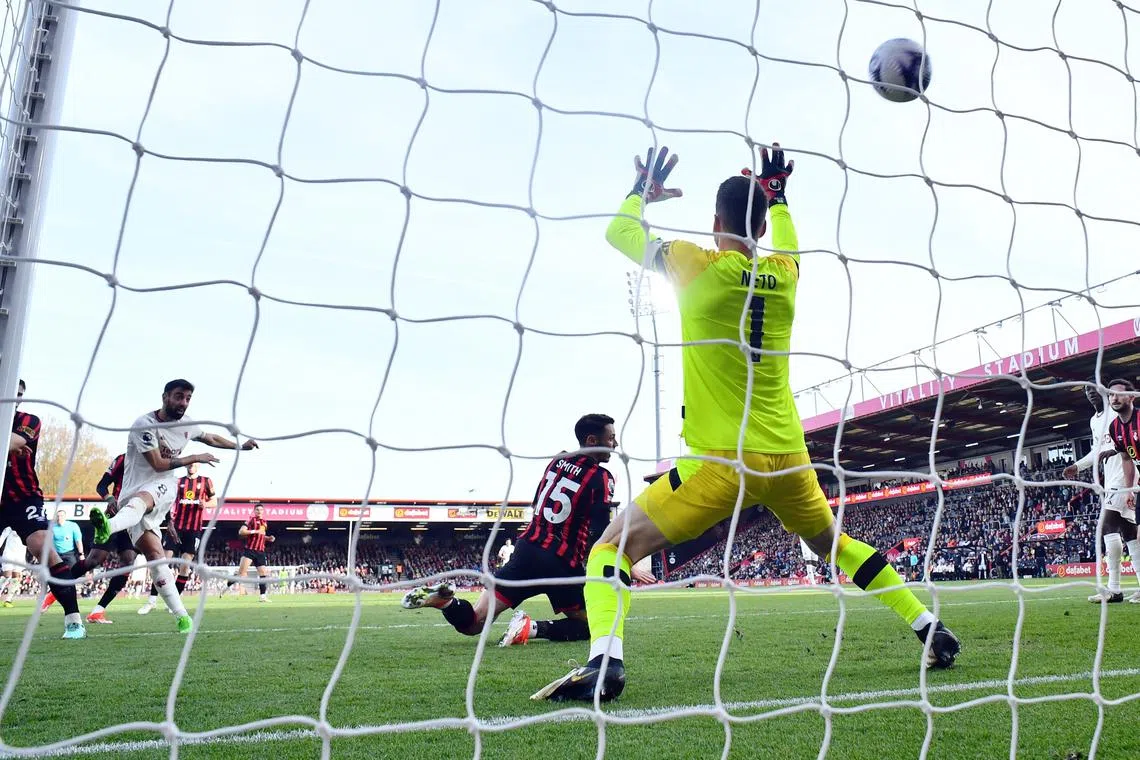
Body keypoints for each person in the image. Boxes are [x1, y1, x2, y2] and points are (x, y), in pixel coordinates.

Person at [533, 145, 960, 703]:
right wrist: (779, 195)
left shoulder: (694, 263)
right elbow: (788, 240)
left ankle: (604, 663)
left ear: (714, 224)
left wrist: (642, 191)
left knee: (609, 549)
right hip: (789, 459)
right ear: (761, 224)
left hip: (719, 464)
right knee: (836, 545)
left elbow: (618, 232)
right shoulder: (785, 273)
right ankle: (928, 626)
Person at [403, 414, 630, 648]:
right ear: (592, 440)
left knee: (474, 622)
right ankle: (532, 628)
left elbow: (536, 502)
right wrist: (615, 561)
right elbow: (601, 530)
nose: (616, 444)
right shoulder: (601, 477)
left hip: (527, 550)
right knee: (594, 624)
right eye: (611, 438)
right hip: (560, 562)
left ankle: (444, 602)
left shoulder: (558, 460)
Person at [87, 379, 258, 633]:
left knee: (148, 515)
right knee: (156, 557)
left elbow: (209, 437)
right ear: (165, 396)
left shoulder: (188, 425)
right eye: (179, 397)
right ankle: (181, 616)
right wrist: (194, 457)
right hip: (132, 497)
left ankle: (108, 528)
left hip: (162, 489)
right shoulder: (144, 425)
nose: (183, 403)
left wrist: (239, 446)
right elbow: (156, 463)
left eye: (188, 398)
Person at [3, 380, 85, 638]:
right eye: (11, 394)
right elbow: (10, 444)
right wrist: (9, 445)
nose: (16, 400)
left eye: (20, 395)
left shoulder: (29, 419)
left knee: (42, 545)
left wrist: (12, 443)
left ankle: (74, 621)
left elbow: (16, 440)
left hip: (23, 496)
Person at [1063, 381, 1140, 603]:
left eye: (1095, 390)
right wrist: (1078, 466)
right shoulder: (1095, 421)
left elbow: (1124, 450)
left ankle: (1113, 588)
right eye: (1087, 392)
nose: (1092, 395)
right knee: (1128, 533)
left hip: (1123, 479)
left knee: (1107, 526)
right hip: (1115, 481)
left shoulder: (1116, 415)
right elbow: (1098, 451)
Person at [223, 503, 274, 601]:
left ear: (263, 511)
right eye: (257, 510)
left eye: (261, 510)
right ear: (254, 511)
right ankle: (228, 584)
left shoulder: (264, 522)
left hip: (260, 551)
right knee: (242, 574)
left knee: (263, 573)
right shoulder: (251, 520)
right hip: (250, 550)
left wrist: (268, 538)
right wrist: (254, 531)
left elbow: (261, 536)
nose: (259, 512)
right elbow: (241, 532)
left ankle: (263, 596)